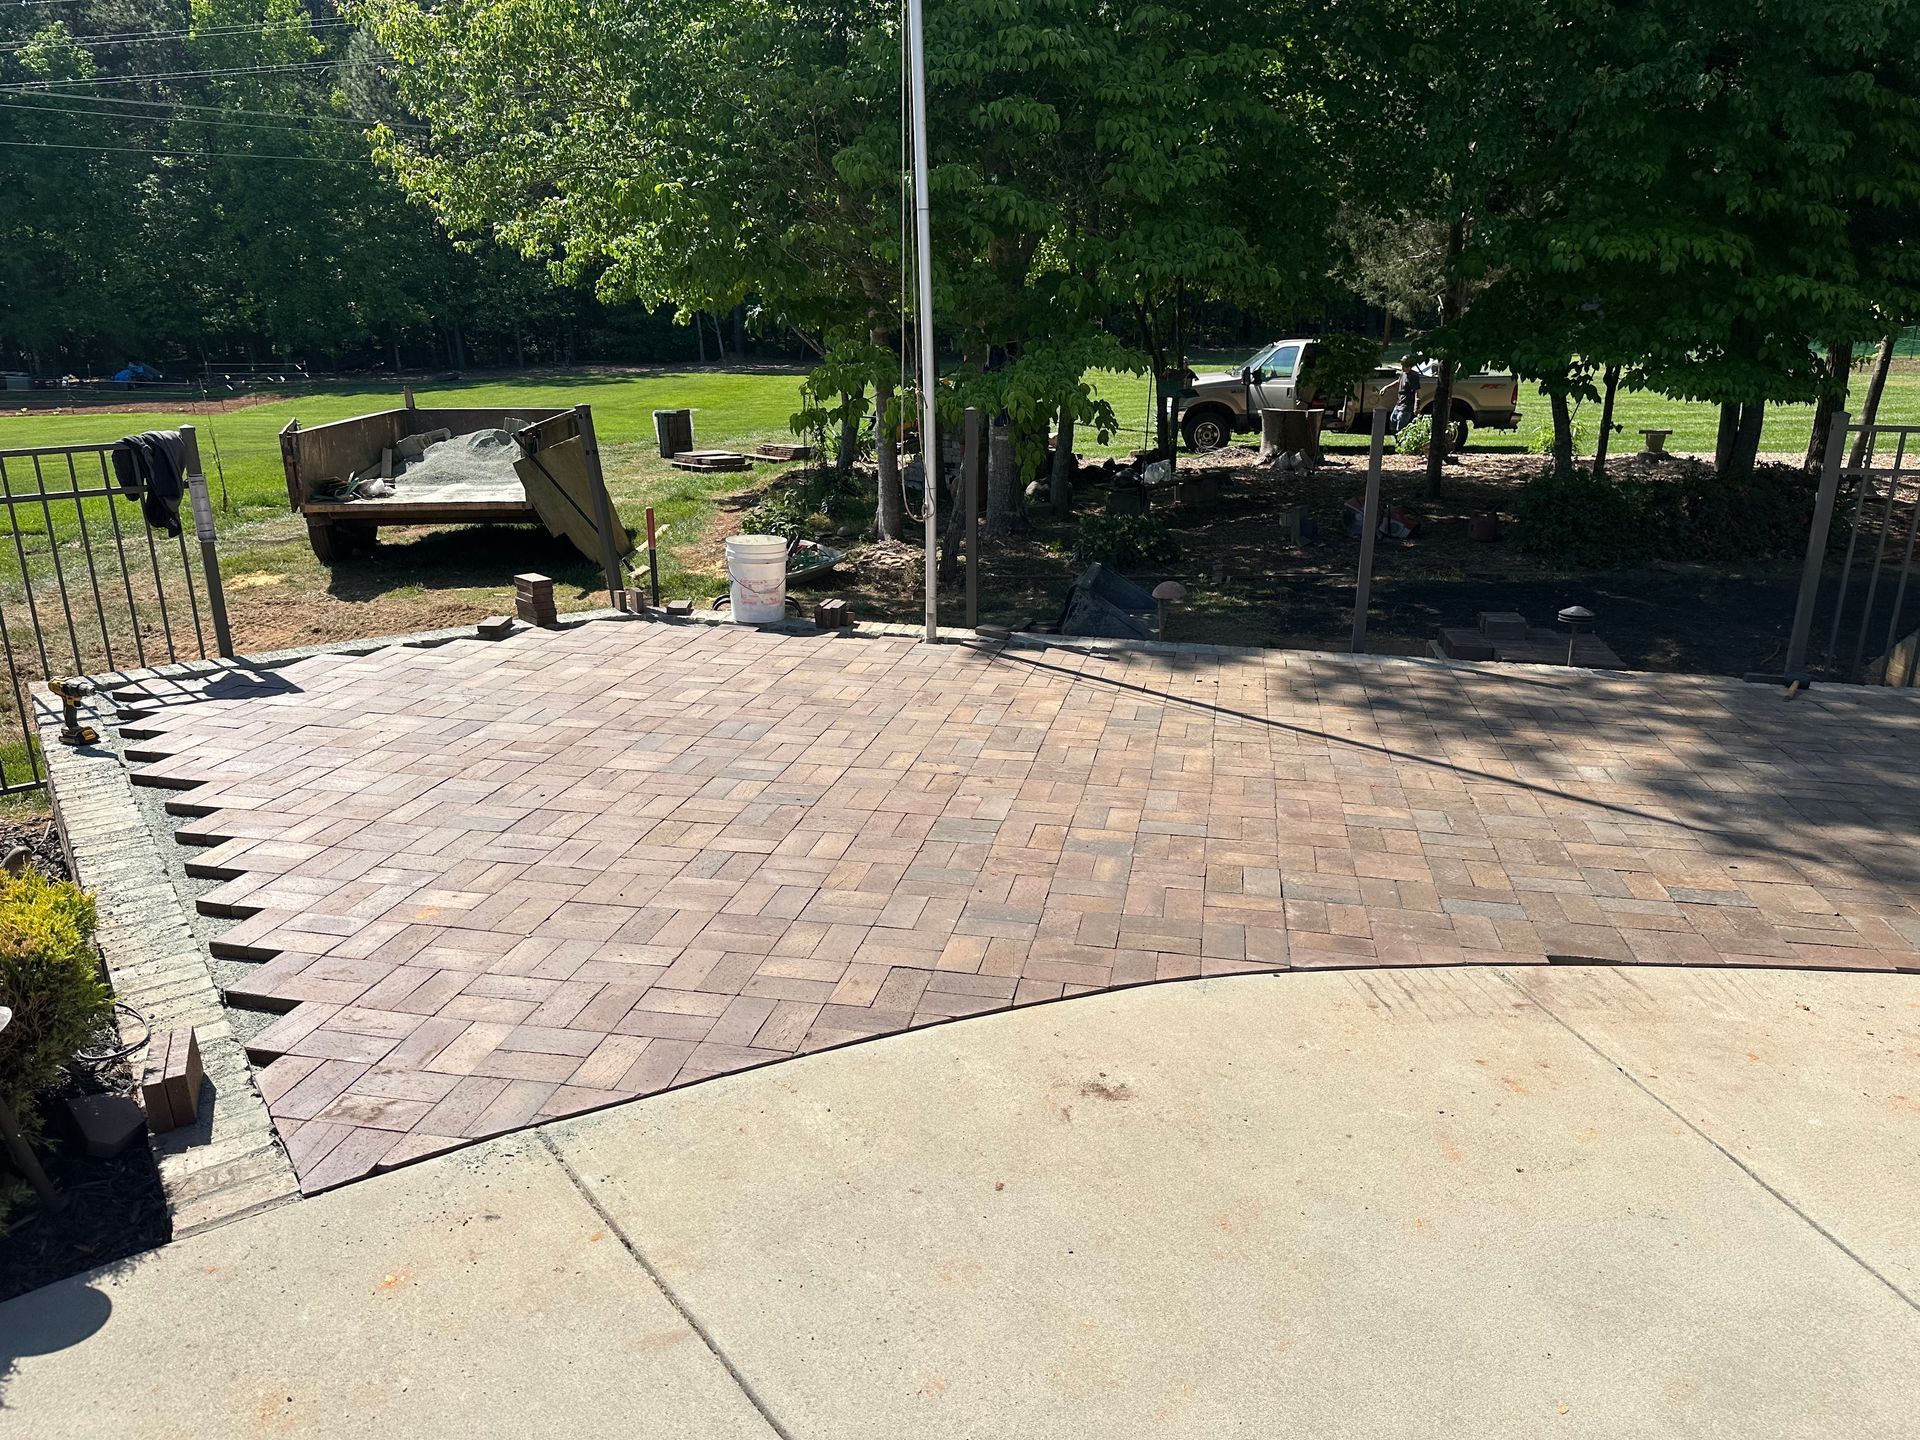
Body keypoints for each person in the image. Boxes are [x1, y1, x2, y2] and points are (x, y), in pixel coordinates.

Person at [1388, 360, 1420, 435]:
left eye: (1404, 366)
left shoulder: (1413, 376)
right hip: (1398, 404)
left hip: (1406, 406)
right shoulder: (1403, 374)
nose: (1402, 368)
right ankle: (1396, 443)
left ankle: (1400, 444)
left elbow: (1417, 392)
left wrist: (1416, 407)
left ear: (1409, 366)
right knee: (1392, 423)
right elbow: (1398, 381)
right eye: (1402, 365)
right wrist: (1386, 387)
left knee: (1400, 428)